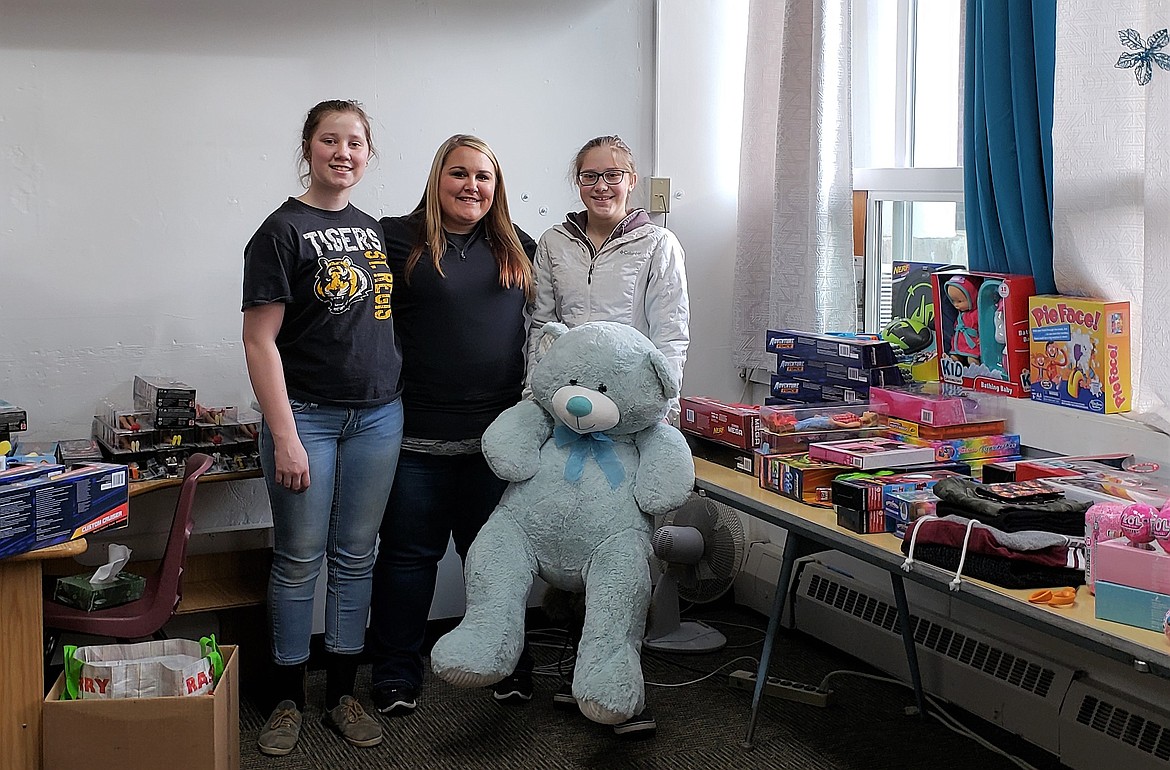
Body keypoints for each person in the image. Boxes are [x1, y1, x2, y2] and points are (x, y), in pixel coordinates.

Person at [242, 99, 403, 756]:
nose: (343, 152)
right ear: (308, 147)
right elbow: (259, 341)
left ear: (368, 153)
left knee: (357, 557)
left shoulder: (373, 230)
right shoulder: (280, 231)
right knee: (298, 559)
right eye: (330, 140)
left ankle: (341, 691)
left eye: (355, 142)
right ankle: (287, 697)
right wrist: (284, 435)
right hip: (306, 417)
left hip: (379, 417)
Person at [367, 134, 537, 717]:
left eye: (483, 176)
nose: (472, 186)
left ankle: (512, 663)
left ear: (498, 186)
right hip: (415, 439)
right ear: (437, 180)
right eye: (458, 174)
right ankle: (395, 675)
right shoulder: (395, 238)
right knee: (408, 560)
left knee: (495, 560)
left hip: (497, 442)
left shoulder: (521, 247)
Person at [528, 135, 690, 738]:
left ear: (632, 179)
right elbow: (541, 326)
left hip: (628, 426)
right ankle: (578, 674)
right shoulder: (553, 244)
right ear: (577, 181)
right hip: (566, 418)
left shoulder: (658, 244)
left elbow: (671, 339)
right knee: (570, 545)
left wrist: (656, 420)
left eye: (614, 175)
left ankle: (623, 690)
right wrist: (538, 402)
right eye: (591, 176)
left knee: (623, 561)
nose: (602, 186)